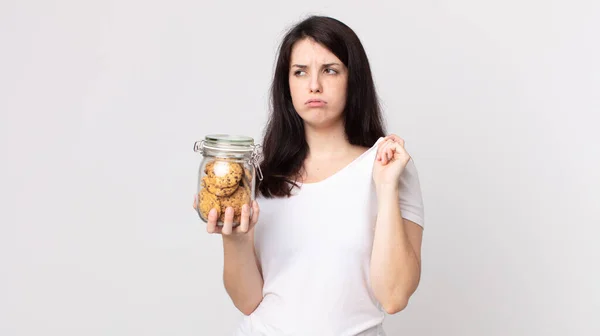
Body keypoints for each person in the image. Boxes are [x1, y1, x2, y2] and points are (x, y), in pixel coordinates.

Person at [194, 15, 425, 336]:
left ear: (353, 79)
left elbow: (394, 296)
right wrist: (233, 239)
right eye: (300, 72)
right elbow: (248, 301)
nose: (314, 84)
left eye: (329, 70)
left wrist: (385, 189)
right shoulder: (259, 170)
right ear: (286, 85)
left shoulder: (387, 164)